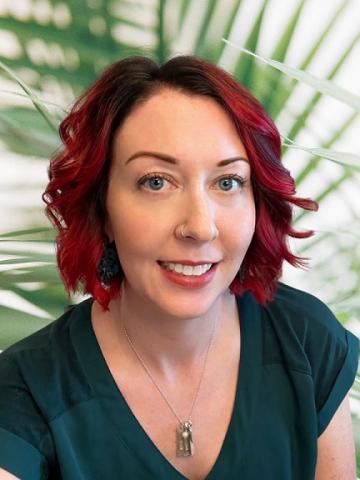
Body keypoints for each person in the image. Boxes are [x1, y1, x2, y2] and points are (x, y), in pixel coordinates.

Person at [0, 54, 358, 480]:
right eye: (156, 182)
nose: (200, 227)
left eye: (227, 182)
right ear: (102, 207)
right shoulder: (26, 389)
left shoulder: (305, 341)